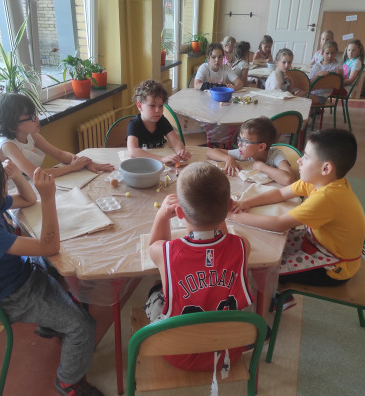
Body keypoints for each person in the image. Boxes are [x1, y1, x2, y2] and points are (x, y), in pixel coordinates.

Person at [0, 149, 104, 396]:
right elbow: (49, 246)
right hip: (13, 296)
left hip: (17, 272)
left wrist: (18, 176)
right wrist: (48, 197)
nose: (5, 176)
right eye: (1, 176)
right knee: (83, 327)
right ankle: (67, 381)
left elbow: (28, 200)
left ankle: (50, 324)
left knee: (62, 263)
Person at [146, 162, 253, 372]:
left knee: (155, 290)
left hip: (178, 354)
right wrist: (219, 212)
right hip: (229, 351)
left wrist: (162, 215)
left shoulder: (166, 252)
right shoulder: (242, 245)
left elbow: (154, 245)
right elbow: (224, 239)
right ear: (230, 207)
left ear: (179, 212)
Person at [229, 129, 365, 287]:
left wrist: (232, 216)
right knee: (268, 246)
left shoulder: (327, 197)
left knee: (263, 268)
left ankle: (277, 296)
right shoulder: (320, 180)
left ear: (326, 168)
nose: (299, 161)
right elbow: (280, 193)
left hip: (335, 266)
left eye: (306, 157)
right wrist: (247, 203)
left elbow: (279, 224)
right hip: (318, 243)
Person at [0, 92, 114, 179]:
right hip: (11, 193)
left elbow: (60, 154)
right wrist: (72, 167)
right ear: (12, 124)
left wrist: (87, 163)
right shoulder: (8, 146)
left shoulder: (30, 134)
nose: (37, 119)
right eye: (31, 117)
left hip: (30, 184)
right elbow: (35, 174)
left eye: (34, 114)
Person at [206, 117, 295, 186]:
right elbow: (210, 152)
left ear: (261, 147)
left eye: (245, 141)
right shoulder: (245, 153)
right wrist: (228, 158)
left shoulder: (276, 155)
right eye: (240, 139)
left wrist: (261, 166)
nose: (239, 144)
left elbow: (288, 179)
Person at [127, 80, 191, 165]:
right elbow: (133, 151)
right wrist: (161, 159)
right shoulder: (134, 124)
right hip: (142, 164)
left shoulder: (162, 121)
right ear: (139, 106)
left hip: (160, 163)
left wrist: (181, 152)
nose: (158, 110)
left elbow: (176, 142)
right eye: (152, 106)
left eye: (161, 106)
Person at [308, 40, 343, 104]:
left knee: (303, 99)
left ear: (336, 53)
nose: (330, 56)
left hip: (322, 96)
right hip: (311, 92)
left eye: (332, 53)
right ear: (322, 53)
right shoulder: (316, 66)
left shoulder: (337, 66)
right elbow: (309, 83)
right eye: (327, 53)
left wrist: (341, 75)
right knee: (298, 96)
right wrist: (317, 75)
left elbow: (340, 83)